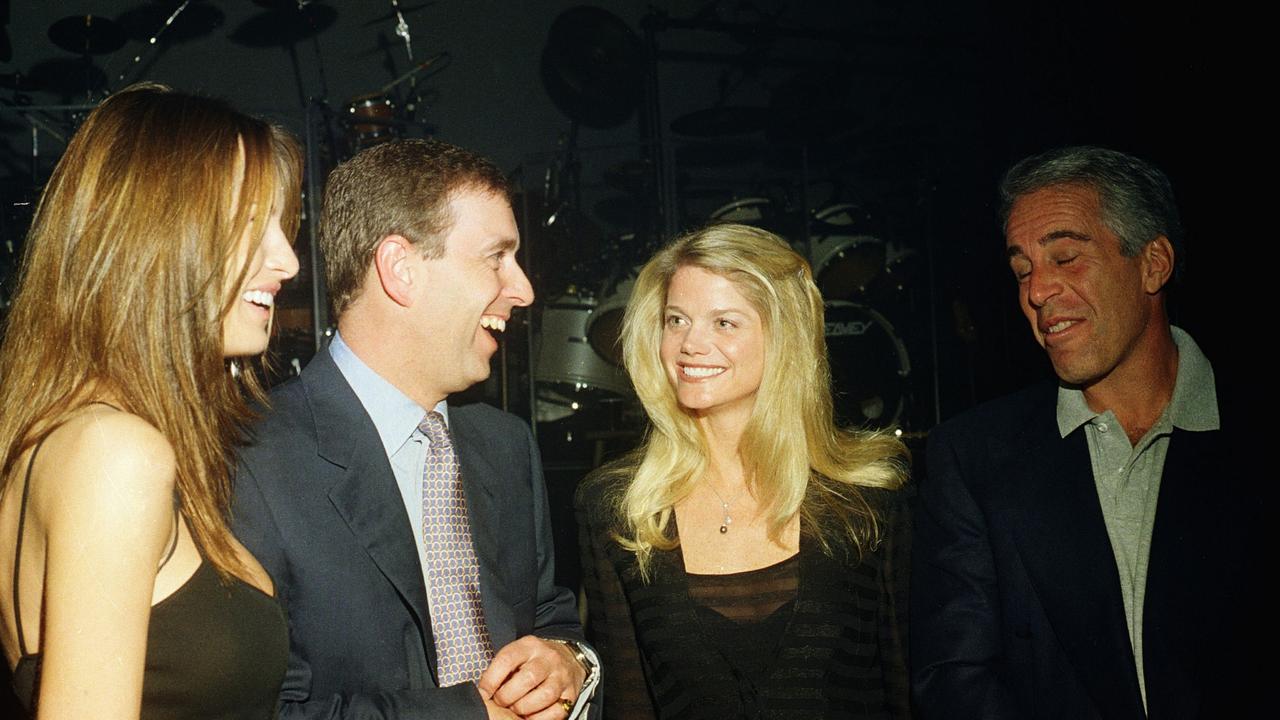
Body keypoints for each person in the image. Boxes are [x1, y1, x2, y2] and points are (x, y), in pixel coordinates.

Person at [231, 138, 599, 720]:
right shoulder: (249, 457)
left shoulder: (507, 446)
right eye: (495, 257)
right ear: (401, 270)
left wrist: (567, 663)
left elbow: (554, 621)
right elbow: (259, 711)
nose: (523, 289)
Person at [911, 146, 1258, 719]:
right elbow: (955, 683)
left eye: (1066, 257)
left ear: (1154, 264)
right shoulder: (975, 457)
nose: (1037, 291)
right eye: (1022, 270)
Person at [0, 83, 301, 718]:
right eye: (253, 223)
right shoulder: (114, 453)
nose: (288, 260)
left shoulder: (71, 436)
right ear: (157, 233)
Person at [576, 223, 912, 719]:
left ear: (784, 337)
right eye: (676, 320)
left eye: (724, 323)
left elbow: (907, 690)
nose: (689, 345)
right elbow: (629, 706)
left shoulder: (868, 496)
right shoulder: (620, 508)